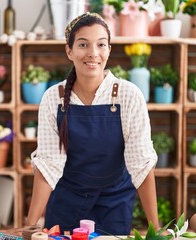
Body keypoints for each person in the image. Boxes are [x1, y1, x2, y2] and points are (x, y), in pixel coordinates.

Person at [25, 12, 159, 235]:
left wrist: (157, 229)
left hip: (114, 205)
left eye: (101, 44)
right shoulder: (53, 98)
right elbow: (48, 165)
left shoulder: (127, 95)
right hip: (66, 204)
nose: (93, 53)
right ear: (69, 51)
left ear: (109, 49)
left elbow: (142, 163)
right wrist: (31, 227)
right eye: (83, 44)